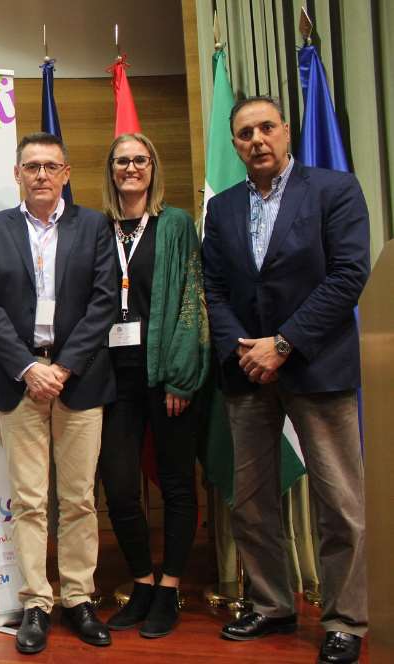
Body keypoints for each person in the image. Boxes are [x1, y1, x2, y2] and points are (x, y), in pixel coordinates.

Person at [203, 96, 369, 664]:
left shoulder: (334, 190)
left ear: (286, 130)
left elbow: (349, 274)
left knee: (339, 503)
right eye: (245, 133)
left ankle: (344, 620)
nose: (257, 140)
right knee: (250, 501)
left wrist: (285, 343)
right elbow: (215, 287)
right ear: (235, 144)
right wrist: (244, 348)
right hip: (247, 370)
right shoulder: (222, 208)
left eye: (266, 128)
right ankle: (272, 605)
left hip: (316, 366)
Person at [0, 132, 118, 654]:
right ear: (17, 174)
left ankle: (79, 597)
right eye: (30, 165)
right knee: (30, 501)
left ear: (66, 173)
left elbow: (104, 303)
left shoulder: (95, 226)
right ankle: (37, 601)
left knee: (78, 499)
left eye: (50, 166)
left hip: (79, 381)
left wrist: (64, 367)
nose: (40, 174)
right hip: (19, 384)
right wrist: (30, 368)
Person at [95, 133, 209, 638]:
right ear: (111, 170)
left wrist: (182, 376)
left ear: (153, 166)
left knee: (178, 482)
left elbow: (191, 300)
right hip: (110, 377)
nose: (131, 168)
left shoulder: (176, 224)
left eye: (140, 159)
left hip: (165, 374)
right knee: (119, 486)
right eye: (122, 161)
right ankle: (142, 581)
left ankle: (170, 589)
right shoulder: (98, 229)